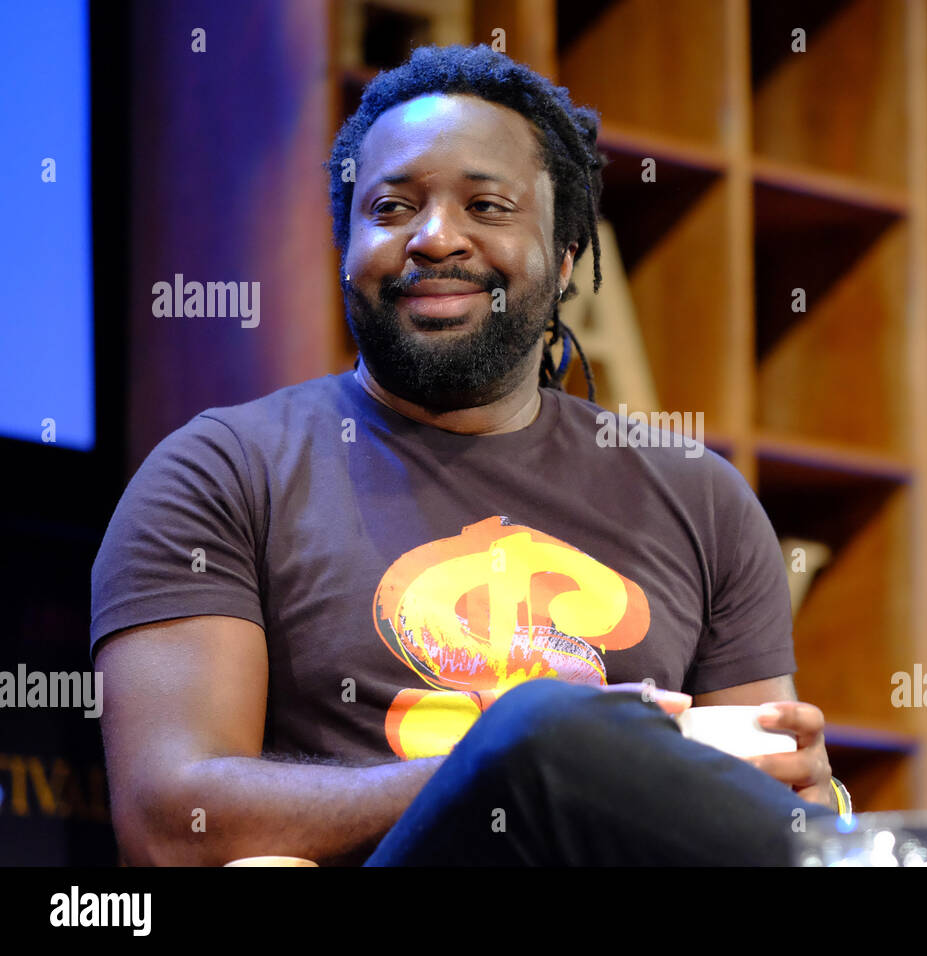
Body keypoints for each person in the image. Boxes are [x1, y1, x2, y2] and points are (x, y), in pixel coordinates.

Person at [90, 44, 846, 866]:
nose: (435, 238)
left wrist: (805, 796)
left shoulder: (701, 497)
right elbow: (171, 819)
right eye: (390, 209)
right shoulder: (221, 473)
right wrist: (516, 763)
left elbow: (764, 802)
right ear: (347, 252)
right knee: (545, 725)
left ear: (563, 261)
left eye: (487, 206)